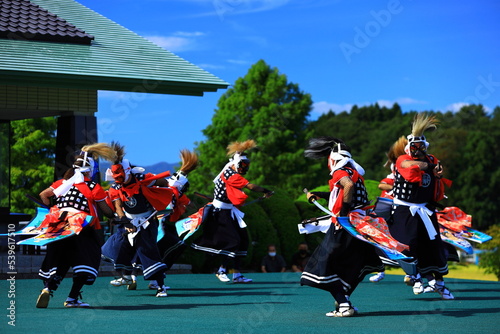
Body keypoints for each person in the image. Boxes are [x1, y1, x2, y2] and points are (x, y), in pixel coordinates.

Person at [300, 137, 384, 317]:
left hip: (345, 226)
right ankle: (343, 302)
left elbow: (348, 186)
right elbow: (341, 191)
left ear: (333, 159)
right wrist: (320, 194)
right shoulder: (354, 172)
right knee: (349, 265)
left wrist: (344, 213)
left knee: (322, 265)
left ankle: (344, 304)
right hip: (359, 226)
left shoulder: (341, 173)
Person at [36, 144, 116, 308]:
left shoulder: (61, 183)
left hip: (58, 226)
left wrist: (49, 209)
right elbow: (106, 211)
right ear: (90, 170)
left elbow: (43, 195)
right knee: (87, 259)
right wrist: (117, 215)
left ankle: (47, 289)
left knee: (61, 259)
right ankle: (72, 298)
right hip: (81, 227)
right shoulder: (93, 186)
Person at [389, 113, 454, 299]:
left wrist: (438, 174)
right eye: (414, 146)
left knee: (434, 246)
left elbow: (435, 183)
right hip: (404, 210)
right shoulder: (403, 159)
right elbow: (409, 168)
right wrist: (428, 166)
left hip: (425, 209)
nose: (417, 150)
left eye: (421, 146)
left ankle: (438, 282)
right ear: (409, 147)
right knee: (407, 244)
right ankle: (416, 277)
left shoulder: (432, 160)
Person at [191, 140, 273, 283]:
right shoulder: (230, 174)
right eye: (243, 164)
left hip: (230, 212)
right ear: (236, 163)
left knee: (242, 240)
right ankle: (221, 270)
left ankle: (237, 275)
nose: (245, 167)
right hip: (220, 213)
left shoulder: (230, 168)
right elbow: (251, 186)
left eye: (247, 165)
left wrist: (239, 153)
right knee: (232, 241)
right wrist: (266, 191)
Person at [101, 142, 172, 297]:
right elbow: (118, 205)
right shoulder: (116, 186)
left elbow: (164, 183)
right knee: (118, 246)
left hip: (147, 220)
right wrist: (124, 221)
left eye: (121, 177)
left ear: (128, 171)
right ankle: (125, 276)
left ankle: (161, 286)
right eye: (116, 177)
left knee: (147, 252)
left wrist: (155, 193)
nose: (118, 180)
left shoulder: (143, 178)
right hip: (128, 222)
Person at [150, 149, 198, 289]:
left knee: (163, 250)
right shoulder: (171, 192)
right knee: (176, 246)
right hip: (156, 226)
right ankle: (156, 278)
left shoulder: (175, 192)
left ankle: (152, 279)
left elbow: (189, 204)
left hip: (160, 226)